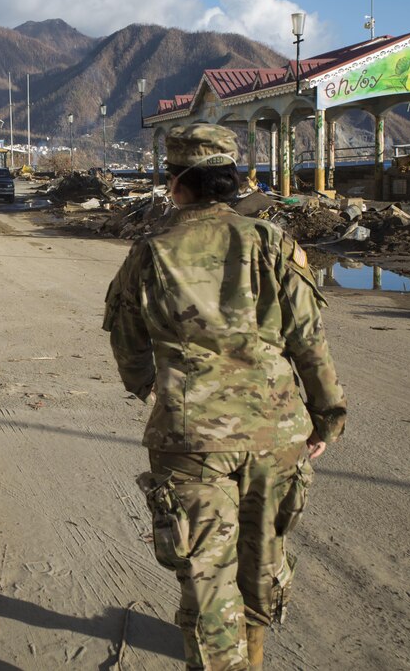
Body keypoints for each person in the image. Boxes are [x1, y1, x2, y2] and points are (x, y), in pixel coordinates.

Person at [104, 123, 346, 670]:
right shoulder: (273, 243)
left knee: (207, 580)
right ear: (232, 182)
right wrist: (327, 416)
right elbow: (309, 339)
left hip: (190, 439)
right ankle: (252, 656)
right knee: (261, 566)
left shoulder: (151, 255)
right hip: (276, 437)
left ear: (176, 184)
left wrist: (155, 390)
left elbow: (128, 345)